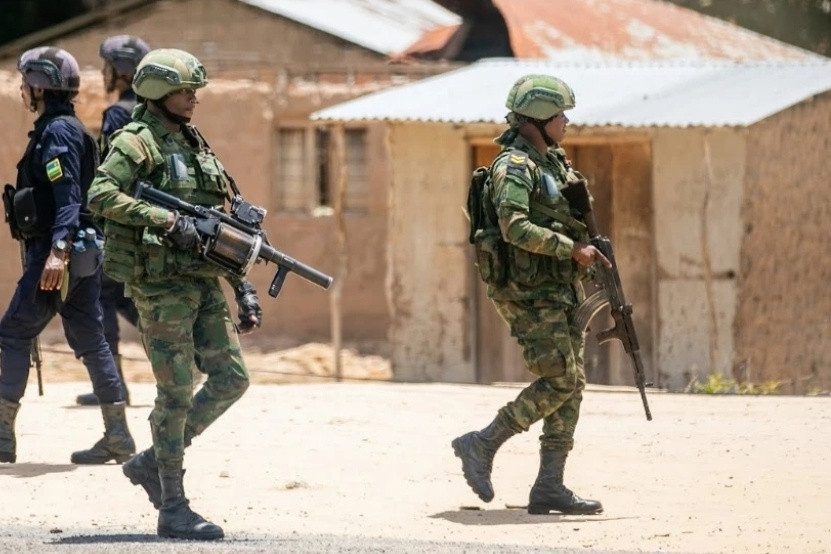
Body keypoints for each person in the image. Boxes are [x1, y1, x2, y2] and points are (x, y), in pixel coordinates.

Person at [87, 48, 261, 541]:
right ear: (160, 92)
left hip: (201, 281)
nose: (194, 99)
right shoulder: (137, 142)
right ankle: (173, 504)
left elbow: (219, 225)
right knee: (176, 392)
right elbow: (100, 195)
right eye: (186, 91)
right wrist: (164, 219)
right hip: (160, 285)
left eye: (195, 91)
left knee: (232, 378)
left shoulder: (193, 142)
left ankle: (152, 462)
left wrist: (243, 286)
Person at [452, 74, 611, 515]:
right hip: (526, 290)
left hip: (557, 287)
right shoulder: (513, 168)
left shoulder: (553, 164)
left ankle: (549, 486)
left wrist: (587, 250)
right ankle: (482, 443)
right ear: (538, 119)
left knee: (572, 383)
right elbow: (514, 228)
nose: (566, 122)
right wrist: (571, 249)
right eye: (560, 115)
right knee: (561, 378)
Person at [0, 47, 134, 465]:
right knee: (93, 342)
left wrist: (56, 252)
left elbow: (68, 199)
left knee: (14, 333)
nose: (22, 90)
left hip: (57, 251)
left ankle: (2, 437)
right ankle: (118, 437)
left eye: (26, 83)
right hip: (82, 251)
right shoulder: (69, 128)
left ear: (39, 87)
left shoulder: (57, 132)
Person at [75, 34, 150, 407]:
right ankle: (195, 354)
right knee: (124, 296)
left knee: (101, 294)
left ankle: (112, 382)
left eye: (107, 66)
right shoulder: (153, 113)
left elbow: (109, 173)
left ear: (121, 71)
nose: (102, 73)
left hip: (118, 221)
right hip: (147, 222)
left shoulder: (119, 114)